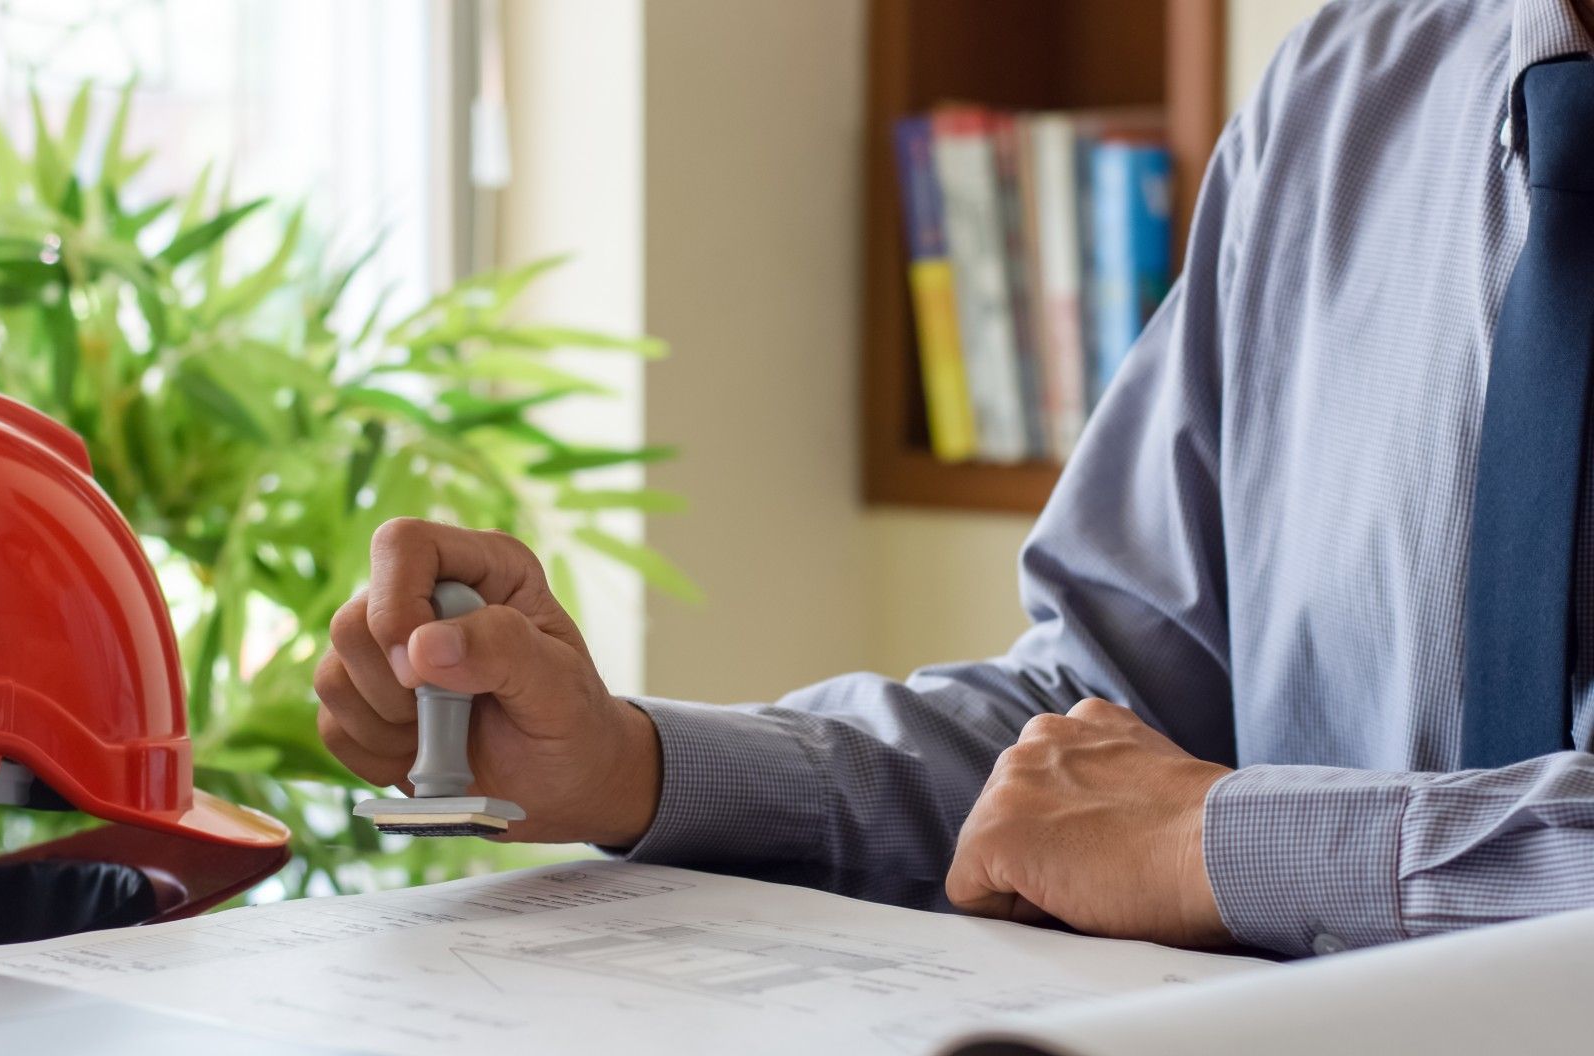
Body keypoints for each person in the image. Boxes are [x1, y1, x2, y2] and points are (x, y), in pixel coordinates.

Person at [316, 0, 1594, 959]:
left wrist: (1228, 841)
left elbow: (1169, 815)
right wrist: (628, 766)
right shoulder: (1346, 86)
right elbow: (1093, 742)